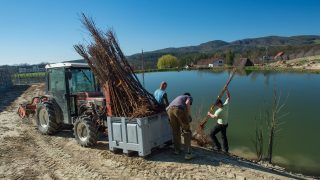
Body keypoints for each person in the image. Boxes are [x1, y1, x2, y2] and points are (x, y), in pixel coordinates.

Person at [166, 93, 193, 160]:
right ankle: (188, 153)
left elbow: (169, 106)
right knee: (186, 130)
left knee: (175, 131)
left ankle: (177, 150)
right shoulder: (188, 97)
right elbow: (187, 104)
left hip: (169, 110)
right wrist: (188, 115)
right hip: (179, 109)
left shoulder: (178, 97)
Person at [207, 88, 231, 153]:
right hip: (225, 124)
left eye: (217, 105)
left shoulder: (218, 111)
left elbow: (214, 117)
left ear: (220, 104)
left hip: (220, 125)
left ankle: (218, 147)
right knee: (224, 137)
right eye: (216, 105)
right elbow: (228, 97)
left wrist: (209, 114)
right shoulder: (226, 105)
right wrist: (227, 90)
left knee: (211, 134)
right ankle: (226, 150)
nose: (217, 106)